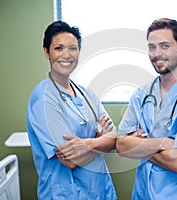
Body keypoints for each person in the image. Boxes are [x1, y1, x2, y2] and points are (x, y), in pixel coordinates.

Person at [116, 18, 177, 200]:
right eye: (152, 47)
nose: (156, 54)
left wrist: (139, 145)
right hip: (142, 194)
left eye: (164, 46)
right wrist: (162, 143)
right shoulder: (142, 94)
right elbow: (121, 145)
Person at [26, 21, 117, 199]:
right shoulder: (44, 99)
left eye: (73, 48)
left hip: (100, 190)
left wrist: (88, 144)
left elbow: (114, 139)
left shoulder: (86, 93)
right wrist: (99, 139)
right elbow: (70, 160)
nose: (66, 55)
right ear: (47, 52)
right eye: (58, 48)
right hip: (67, 193)